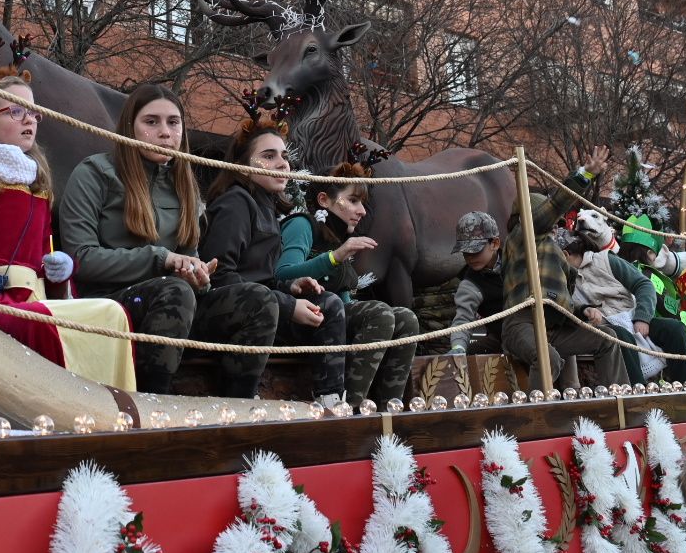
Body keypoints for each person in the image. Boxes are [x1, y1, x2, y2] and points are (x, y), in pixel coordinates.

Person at [0, 67, 135, 390]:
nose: (30, 119)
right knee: (42, 324)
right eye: (15, 111)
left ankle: (112, 409)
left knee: (113, 315)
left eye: (34, 112)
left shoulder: (40, 191)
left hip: (34, 300)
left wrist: (59, 276)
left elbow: (42, 262)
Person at [60, 84, 278, 396]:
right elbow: (81, 259)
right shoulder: (95, 173)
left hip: (176, 305)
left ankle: (238, 407)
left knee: (259, 300)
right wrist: (161, 259)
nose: (165, 132)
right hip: (112, 306)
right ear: (129, 127)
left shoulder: (183, 183)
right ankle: (153, 403)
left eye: (173, 123)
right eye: (152, 122)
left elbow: (188, 256)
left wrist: (198, 275)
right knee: (173, 290)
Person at [204, 120, 346, 406]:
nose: (283, 164)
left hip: (264, 307)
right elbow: (219, 276)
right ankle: (244, 403)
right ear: (244, 166)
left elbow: (261, 278)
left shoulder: (266, 205)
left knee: (327, 303)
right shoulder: (235, 203)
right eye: (269, 156)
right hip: (225, 313)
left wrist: (290, 286)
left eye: (284, 156)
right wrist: (286, 304)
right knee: (264, 301)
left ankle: (331, 401)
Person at [277, 160, 418, 409]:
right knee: (380, 313)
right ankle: (348, 409)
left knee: (406, 318)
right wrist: (335, 257)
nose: (362, 210)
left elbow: (343, 302)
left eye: (362, 202)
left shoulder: (339, 236)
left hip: (332, 322)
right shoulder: (303, 225)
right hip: (298, 319)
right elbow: (284, 274)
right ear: (324, 200)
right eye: (353, 200)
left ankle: (388, 412)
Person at [497, 146, 628, 392]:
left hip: (556, 325)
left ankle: (620, 404)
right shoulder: (520, 237)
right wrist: (584, 175)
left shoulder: (552, 250)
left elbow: (558, 298)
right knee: (549, 359)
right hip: (522, 324)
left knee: (608, 339)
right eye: (550, 221)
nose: (555, 227)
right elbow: (554, 207)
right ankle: (539, 418)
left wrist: (584, 308)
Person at [561, 216, 664, 385]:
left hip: (632, 317)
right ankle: (638, 394)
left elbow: (643, 284)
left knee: (675, 329)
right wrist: (585, 310)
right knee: (619, 335)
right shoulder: (561, 278)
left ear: (565, 254)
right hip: (602, 326)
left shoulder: (605, 260)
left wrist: (643, 317)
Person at [616, 224, 686, 382]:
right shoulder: (647, 273)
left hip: (631, 320)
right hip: (643, 323)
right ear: (650, 253)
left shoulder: (620, 266)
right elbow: (665, 305)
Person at [448, 212, 504, 355]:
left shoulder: (517, 259)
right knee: (469, 355)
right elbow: (463, 319)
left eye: (475, 250)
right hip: (502, 338)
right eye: (466, 253)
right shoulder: (470, 283)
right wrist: (458, 347)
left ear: (495, 243)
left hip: (538, 331)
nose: (470, 257)